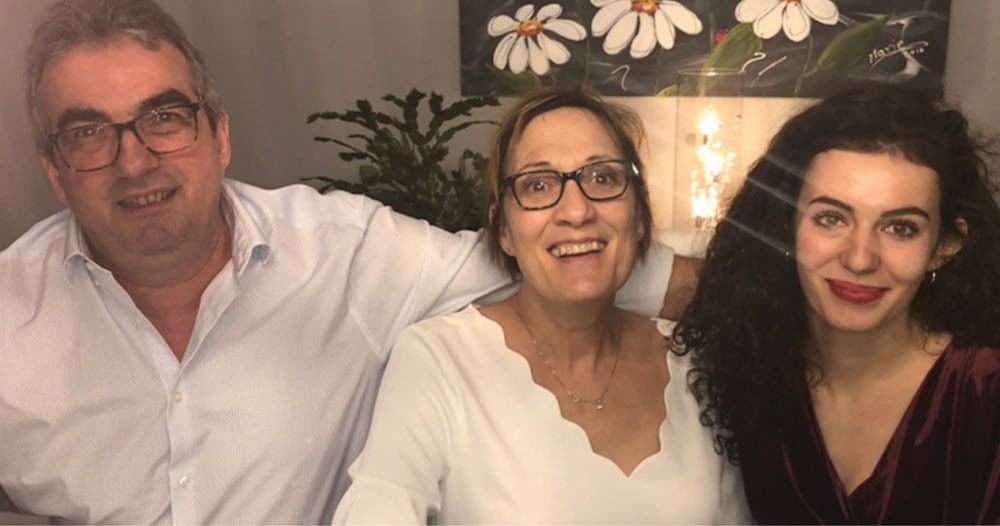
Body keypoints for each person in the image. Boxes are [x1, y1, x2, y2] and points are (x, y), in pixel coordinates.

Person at [0, 0, 699, 524]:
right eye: (89, 132)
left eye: (164, 117)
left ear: (218, 133)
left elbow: (545, 257)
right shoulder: (10, 323)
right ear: (55, 170)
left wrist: (752, 299)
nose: (134, 159)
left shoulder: (349, 254)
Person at [332, 87, 750, 524]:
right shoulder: (441, 359)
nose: (576, 210)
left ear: (640, 216)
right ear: (504, 230)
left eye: (603, 178)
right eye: (537, 185)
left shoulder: (692, 361)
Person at [674, 84, 1000, 524]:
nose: (859, 258)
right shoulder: (747, 378)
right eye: (830, 219)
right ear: (785, 225)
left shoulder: (984, 392)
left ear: (945, 245)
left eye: (900, 228)